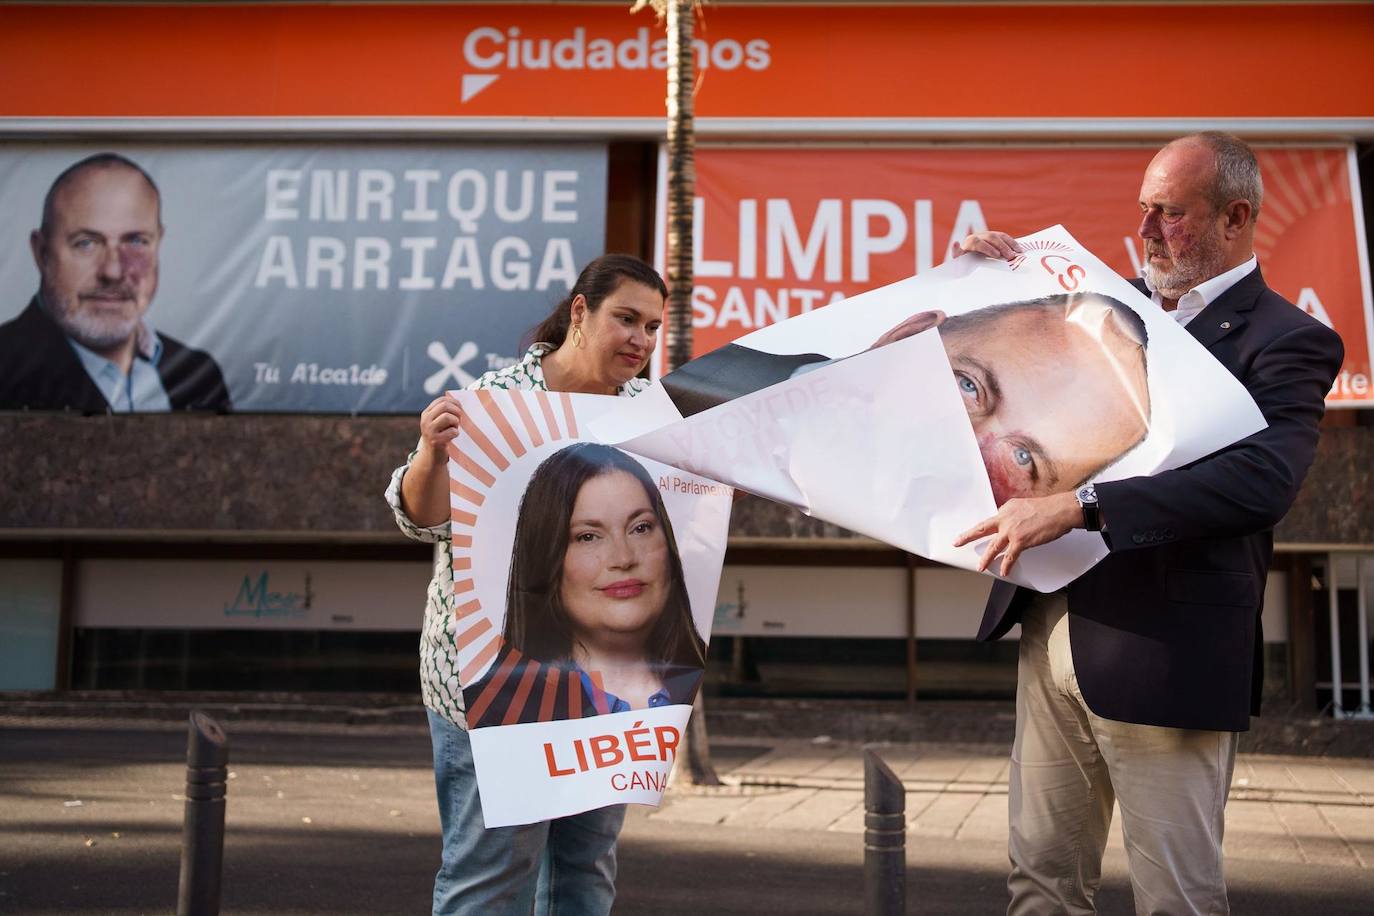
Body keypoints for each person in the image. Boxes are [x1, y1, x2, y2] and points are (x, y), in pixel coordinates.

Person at [952, 132, 1344, 915]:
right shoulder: (1094, 306)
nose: (1148, 229)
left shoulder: (1289, 340)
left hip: (1169, 652)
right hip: (1050, 629)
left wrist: (1084, 507)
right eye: (1143, 210)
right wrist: (979, 281)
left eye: (1171, 213)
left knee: (1176, 898)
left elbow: (1261, 481)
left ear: (1236, 218)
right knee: (1039, 883)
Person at [385, 254, 667, 916]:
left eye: (653, 327)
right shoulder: (496, 401)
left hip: (605, 687)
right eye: (626, 319)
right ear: (579, 311)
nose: (641, 341)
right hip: (495, 688)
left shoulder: (649, 417)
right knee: (491, 878)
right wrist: (430, 452)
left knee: (585, 871)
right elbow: (421, 519)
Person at [660, 291, 1152, 506]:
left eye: (1023, 458)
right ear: (909, 334)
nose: (964, 443)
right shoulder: (691, 388)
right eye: (968, 385)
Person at [462, 442, 706, 728]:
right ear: (546, 557)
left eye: (641, 528)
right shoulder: (494, 713)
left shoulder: (706, 695)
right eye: (588, 537)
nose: (623, 558)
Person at [0, 153, 231, 412]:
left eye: (135, 241)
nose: (112, 271)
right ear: (42, 253)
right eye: (86, 243)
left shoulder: (198, 374)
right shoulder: (6, 369)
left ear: (158, 244)